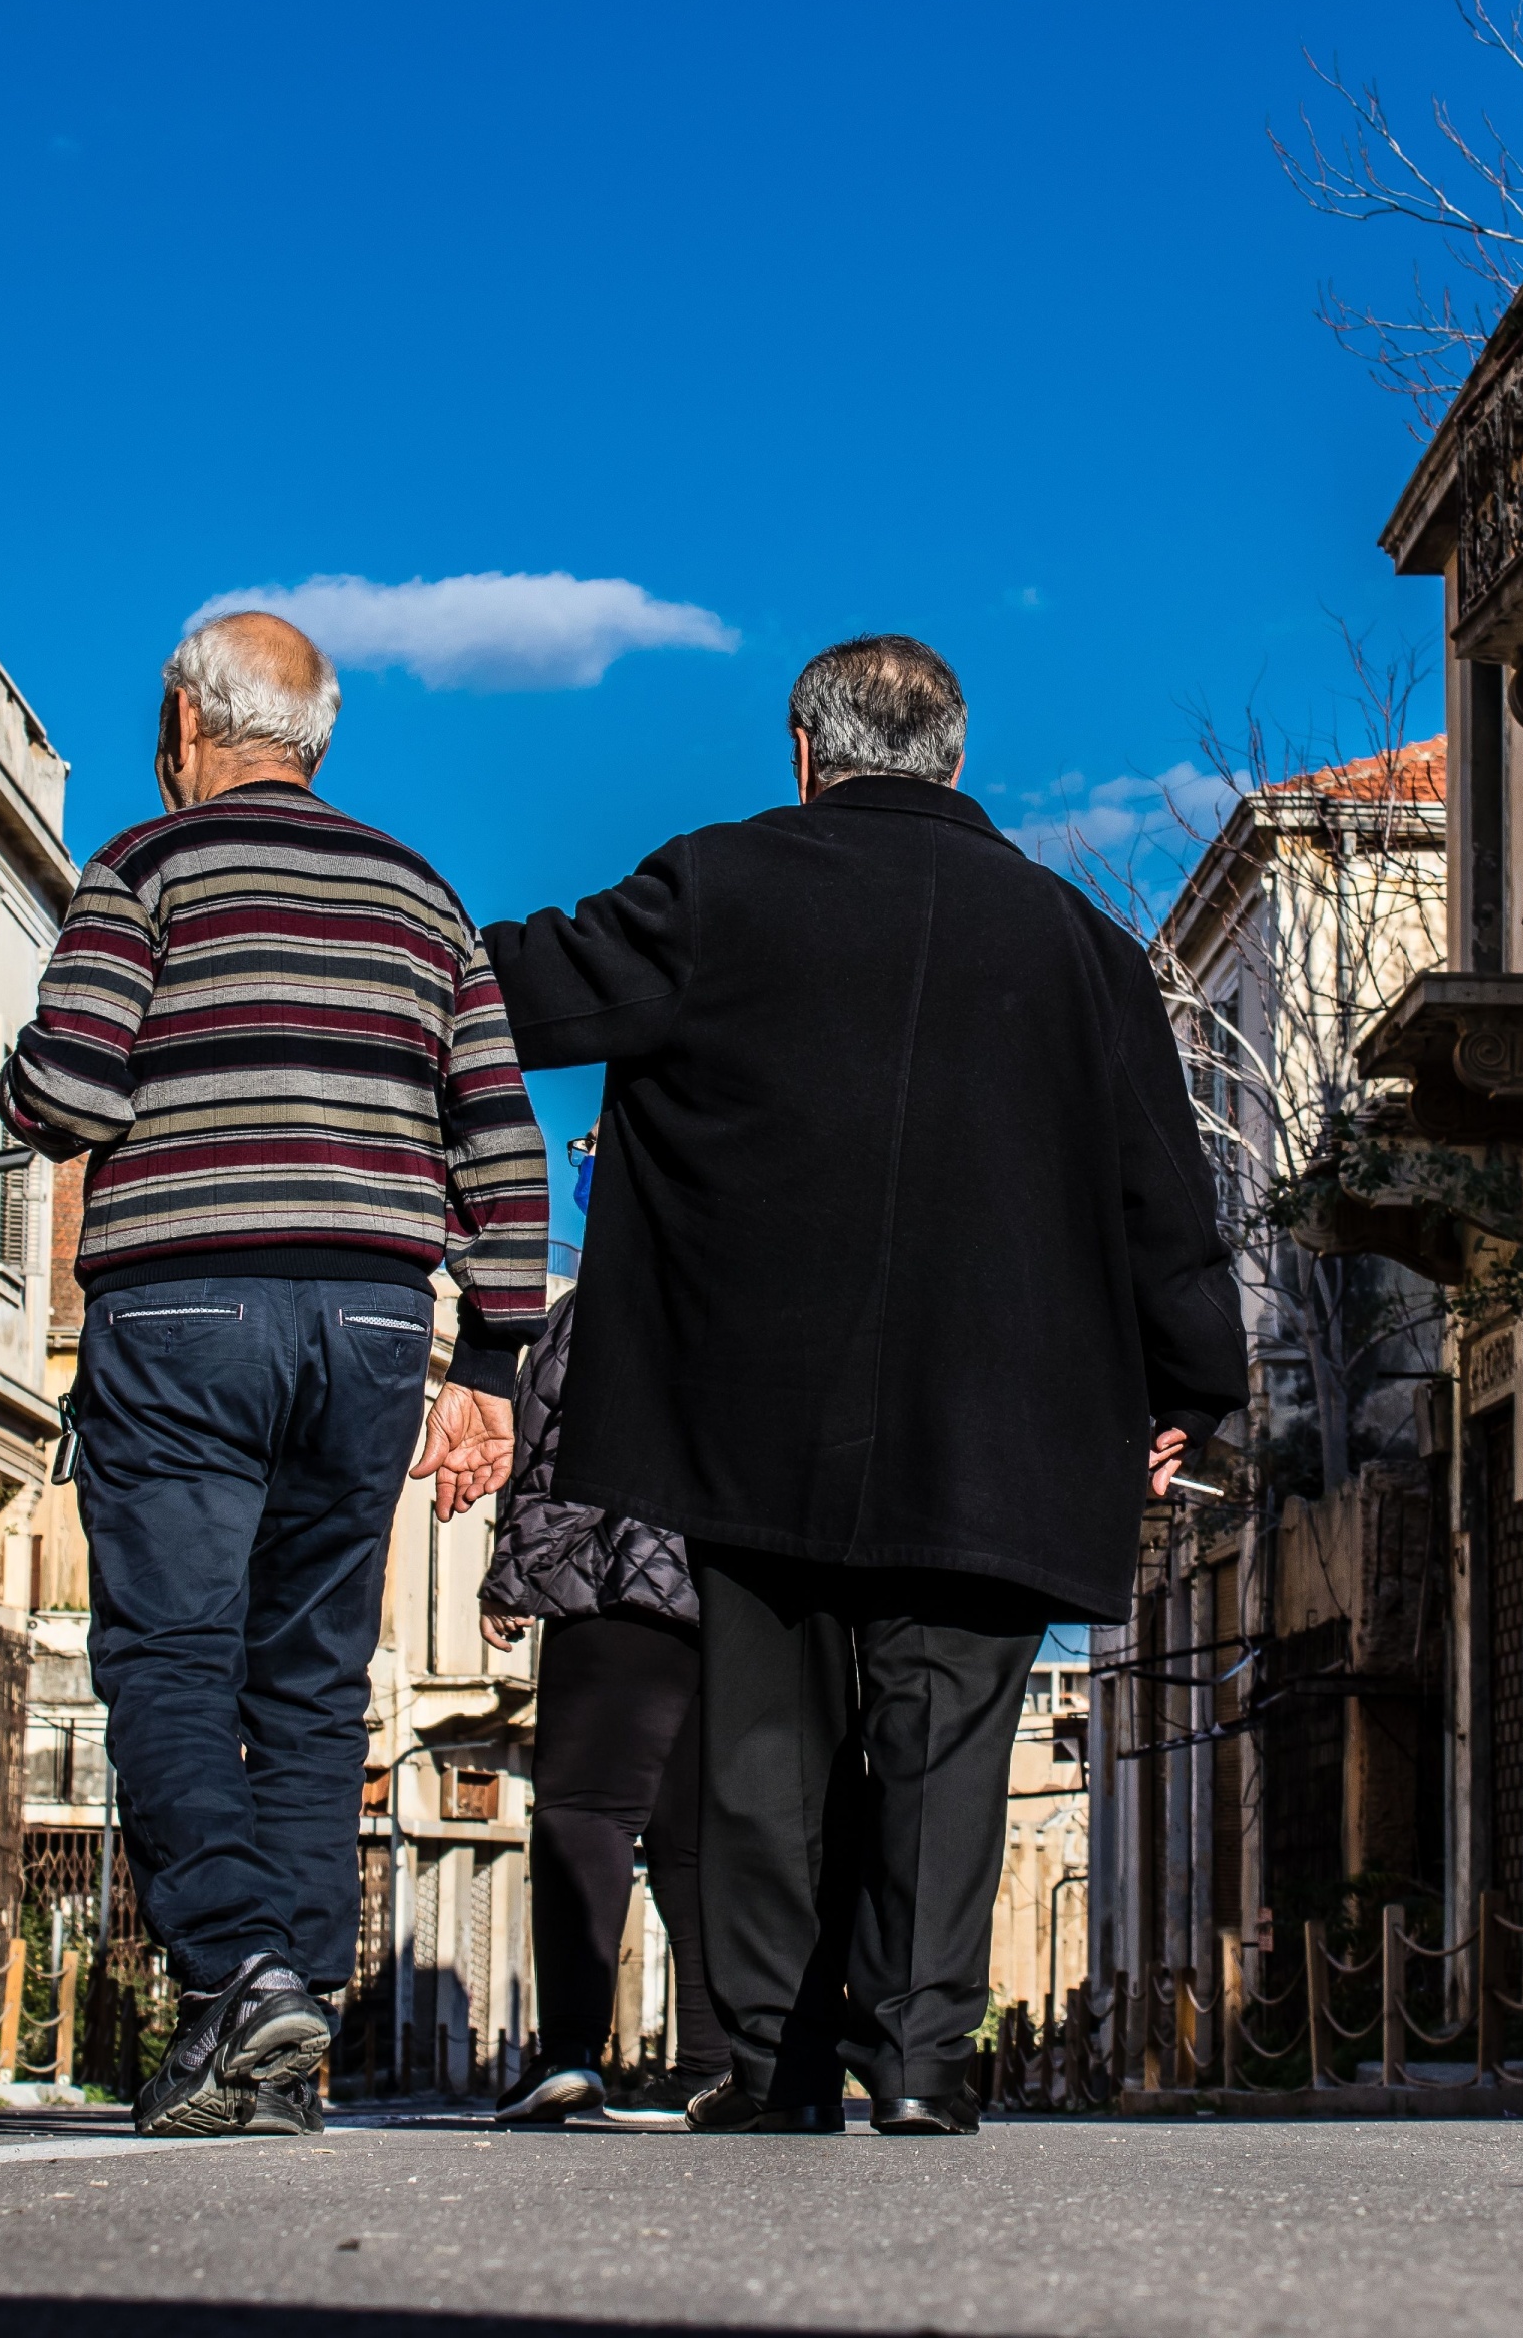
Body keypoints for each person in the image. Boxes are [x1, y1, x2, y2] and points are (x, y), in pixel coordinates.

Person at [481, 634, 1244, 2136]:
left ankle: (774, 2068)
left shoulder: (711, 887)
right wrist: (1189, 1387)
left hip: (749, 1413)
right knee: (950, 1741)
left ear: (804, 751)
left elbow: (509, 989)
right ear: (957, 759)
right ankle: (919, 2064)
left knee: (765, 1740)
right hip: (1005, 1425)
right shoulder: (1081, 947)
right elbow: (1165, 1193)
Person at [0, 610, 547, 2139]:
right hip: (374, 1325)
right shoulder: (426, 897)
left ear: (184, 720)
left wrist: (19, 1079)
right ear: (319, 739)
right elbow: (498, 1141)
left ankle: (238, 1967)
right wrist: (493, 1361)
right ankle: (285, 2026)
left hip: (185, 1308)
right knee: (311, 1684)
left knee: (169, 1660)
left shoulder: (143, 869)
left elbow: (74, 1082)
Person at [480, 1285, 732, 2125]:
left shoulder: (614, 1298)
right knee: (692, 1836)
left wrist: (518, 1573)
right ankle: (707, 2063)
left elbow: (567, 1447)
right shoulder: (786, 1275)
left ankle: (572, 2052)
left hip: (623, 1578)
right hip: (740, 1594)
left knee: (584, 1808)